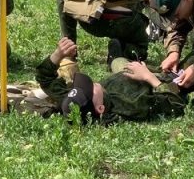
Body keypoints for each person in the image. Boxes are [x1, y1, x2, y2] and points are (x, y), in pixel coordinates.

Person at [35, 37, 186, 124]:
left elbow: (45, 78)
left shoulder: (71, 102)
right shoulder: (131, 105)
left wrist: (58, 54)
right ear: (100, 108)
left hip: (128, 73)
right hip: (169, 80)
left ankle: (117, 57)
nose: (89, 85)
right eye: (90, 89)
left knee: (120, 63)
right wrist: (149, 77)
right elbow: (176, 104)